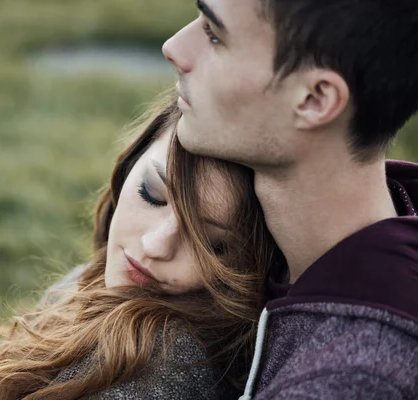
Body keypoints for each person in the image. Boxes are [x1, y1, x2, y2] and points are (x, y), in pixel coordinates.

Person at [162, 0, 418, 398]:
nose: (174, 47)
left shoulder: (352, 380)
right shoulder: (288, 253)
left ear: (315, 99)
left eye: (214, 34)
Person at [0, 98, 283, 399]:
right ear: (131, 162)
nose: (154, 246)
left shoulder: (165, 368)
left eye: (213, 244)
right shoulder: (94, 282)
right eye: (152, 193)